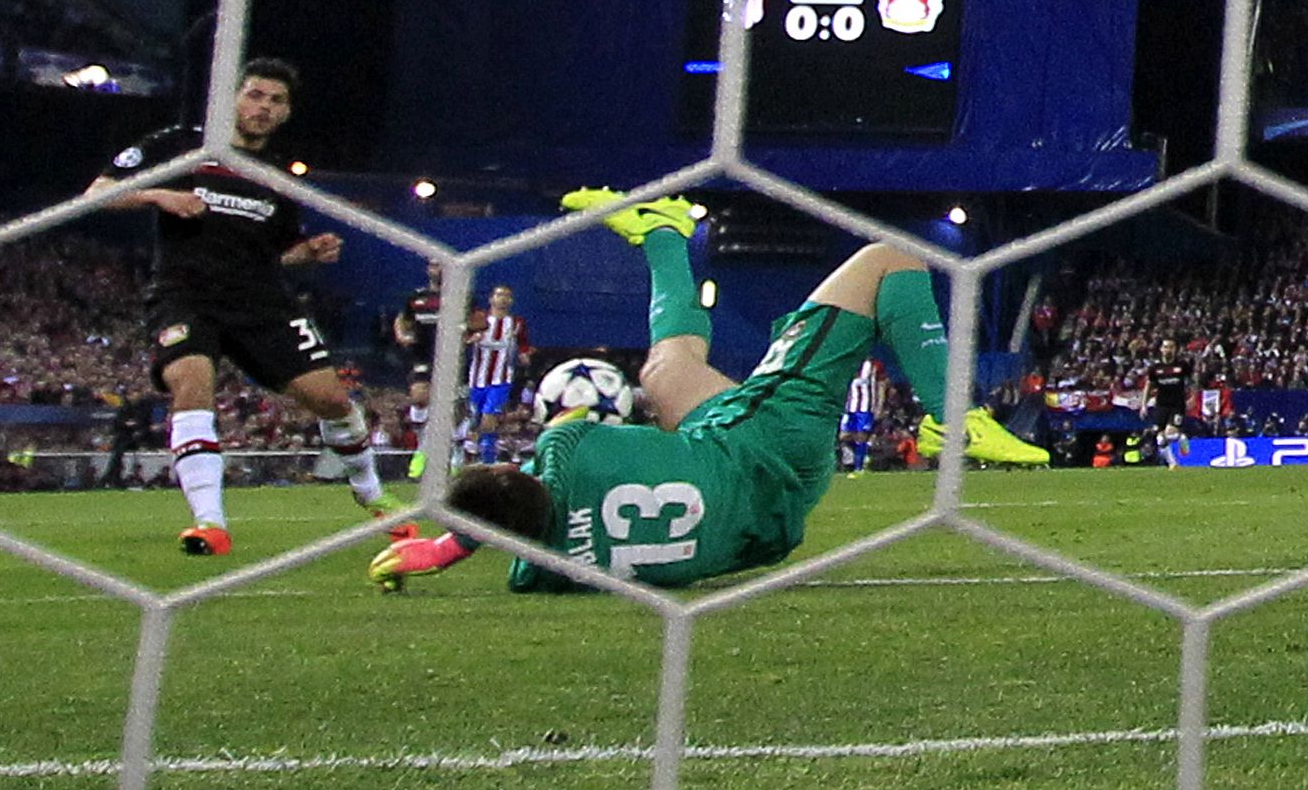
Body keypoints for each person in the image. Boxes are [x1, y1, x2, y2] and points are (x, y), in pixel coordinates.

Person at [370, 187, 1046, 593]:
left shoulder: (542, 573)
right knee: (892, 260)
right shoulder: (565, 444)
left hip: (766, 528)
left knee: (666, 370)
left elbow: (512, 510)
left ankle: (663, 233)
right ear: (510, 473)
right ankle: (954, 416)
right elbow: (545, 468)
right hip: (766, 441)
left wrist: (444, 547)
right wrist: (449, 535)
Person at [86, 57, 405, 556]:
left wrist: (308, 253)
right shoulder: (179, 145)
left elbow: (276, 253)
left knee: (332, 401)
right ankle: (210, 524)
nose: (262, 107)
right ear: (232, 98)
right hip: (185, 294)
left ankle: (374, 496)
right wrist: (160, 196)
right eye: (254, 95)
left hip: (260, 300)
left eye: (275, 101)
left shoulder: (276, 178)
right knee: (191, 382)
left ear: (286, 113)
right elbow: (98, 194)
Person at [465, 284, 531, 465]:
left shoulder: (516, 323)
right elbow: (463, 337)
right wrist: (471, 340)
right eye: (499, 295)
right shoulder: (479, 319)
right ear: (491, 299)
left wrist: (524, 354)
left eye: (507, 296)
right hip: (477, 379)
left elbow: (523, 343)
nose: (503, 299)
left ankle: (488, 461)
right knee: (477, 420)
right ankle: (474, 453)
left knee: (489, 417)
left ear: (511, 301)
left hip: (501, 379)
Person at [393, 260, 445, 370]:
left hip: (449, 356)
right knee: (420, 386)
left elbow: (475, 322)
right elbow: (403, 318)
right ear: (428, 269)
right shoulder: (417, 296)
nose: (439, 270)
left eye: (442, 265)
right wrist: (402, 336)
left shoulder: (460, 297)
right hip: (421, 356)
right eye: (434, 266)